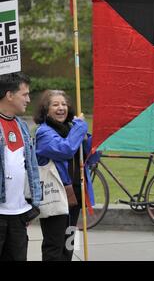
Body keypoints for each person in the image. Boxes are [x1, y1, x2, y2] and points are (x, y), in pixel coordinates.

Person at [33, 90, 97, 261]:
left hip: (75, 195)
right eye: (55, 104)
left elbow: (91, 157)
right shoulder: (43, 133)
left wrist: (94, 139)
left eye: (64, 104)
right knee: (54, 245)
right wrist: (80, 128)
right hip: (56, 195)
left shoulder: (72, 129)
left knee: (69, 243)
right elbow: (65, 150)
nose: (61, 108)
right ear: (46, 110)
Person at [0, 72, 42, 261]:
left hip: (19, 214)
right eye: (24, 94)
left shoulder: (22, 126)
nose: (28, 99)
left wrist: (32, 204)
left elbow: (30, 167)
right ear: (9, 95)